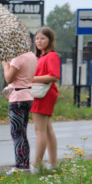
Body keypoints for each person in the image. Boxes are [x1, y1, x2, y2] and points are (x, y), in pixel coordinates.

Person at [2, 44, 37, 173]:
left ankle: (19, 165)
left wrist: (6, 65)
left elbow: (8, 78)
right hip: (28, 95)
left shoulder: (18, 58)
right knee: (23, 132)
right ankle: (25, 164)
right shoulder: (31, 56)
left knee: (16, 133)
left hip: (17, 98)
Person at [31, 27, 60, 170]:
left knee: (40, 130)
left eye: (42, 38)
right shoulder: (41, 56)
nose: (39, 41)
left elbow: (53, 76)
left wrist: (31, 79)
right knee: (47, 129)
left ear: (50, 40)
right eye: (37, 38)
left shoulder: (51, 56)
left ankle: (37, 165)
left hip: (44, 93)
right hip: (42, 92)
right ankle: (53, 163)